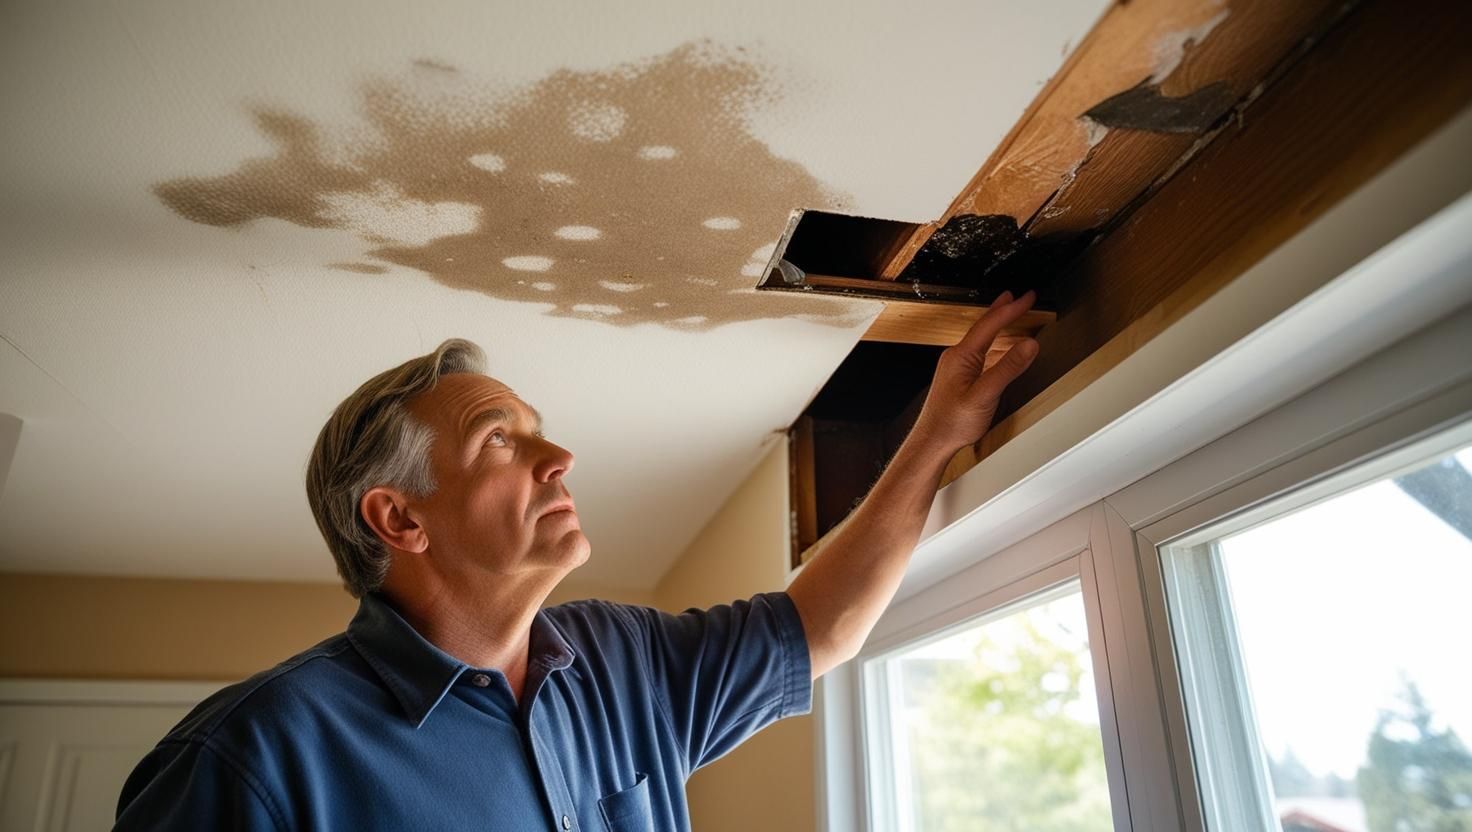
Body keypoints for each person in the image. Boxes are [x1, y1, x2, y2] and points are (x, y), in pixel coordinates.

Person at [114, 290, 1040, 831]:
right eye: (498, 442)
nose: (558, 460)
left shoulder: (621, 663)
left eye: (540, 435)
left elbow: (821, 629)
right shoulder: (251, 758)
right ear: (399, 518)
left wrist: (937, 436)